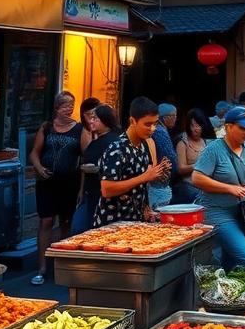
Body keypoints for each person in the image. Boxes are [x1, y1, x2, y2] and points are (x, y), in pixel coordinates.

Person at [191, 107, 245, 269]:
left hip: (244, 210)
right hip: (217, 210)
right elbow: (197, 178)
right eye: (242, 128)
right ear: (228, 127)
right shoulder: (214, 149)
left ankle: (226, 284)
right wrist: (229, 188)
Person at [28, 90, 83, 286]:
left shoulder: (79, 129)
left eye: (71, 105)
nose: (69, 108)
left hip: (69, 182)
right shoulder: (47, 127)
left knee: (66, 221)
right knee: (46, 221)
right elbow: (34, 153)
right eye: (65, 105)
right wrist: (39, 167)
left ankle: (62, 264)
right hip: (47, 182)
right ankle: (42, 266)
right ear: (57, 107)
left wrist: (81, 188)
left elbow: (84, 158)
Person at [95, 96, 171, 227]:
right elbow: (107, 189)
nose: (153, 129)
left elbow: (140, 186)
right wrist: (145, 177)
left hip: (135, 222)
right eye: (147, 124)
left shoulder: (143, 145)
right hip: (112, 223)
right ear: (132, 121)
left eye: (155, 124)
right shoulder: (118, 148)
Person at [72, 105, 122, 234]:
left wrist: (98, 169)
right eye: (91, 118)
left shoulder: (114, 141)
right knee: (79, 228)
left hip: (104, 196)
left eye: (95, 119)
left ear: (105, 120)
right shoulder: (95, 140)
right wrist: (82, 190)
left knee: (92, 230)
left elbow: (118, 168)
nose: (91, 121)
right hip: (90, 192)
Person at [174, 109, 215, 203]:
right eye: (192, 125)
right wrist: (199, 165)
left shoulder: (206, 142)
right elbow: (181, 169)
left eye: (198, 125)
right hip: (189, 187)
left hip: (206, 186)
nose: (196, 129)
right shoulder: (183, 144)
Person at [148, 104, 179, 211]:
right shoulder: (160, 131)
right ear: (165, 118)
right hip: (158, 182)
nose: (175, 119)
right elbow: (170, 159)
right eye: (174, 116)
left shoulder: (158, 130)